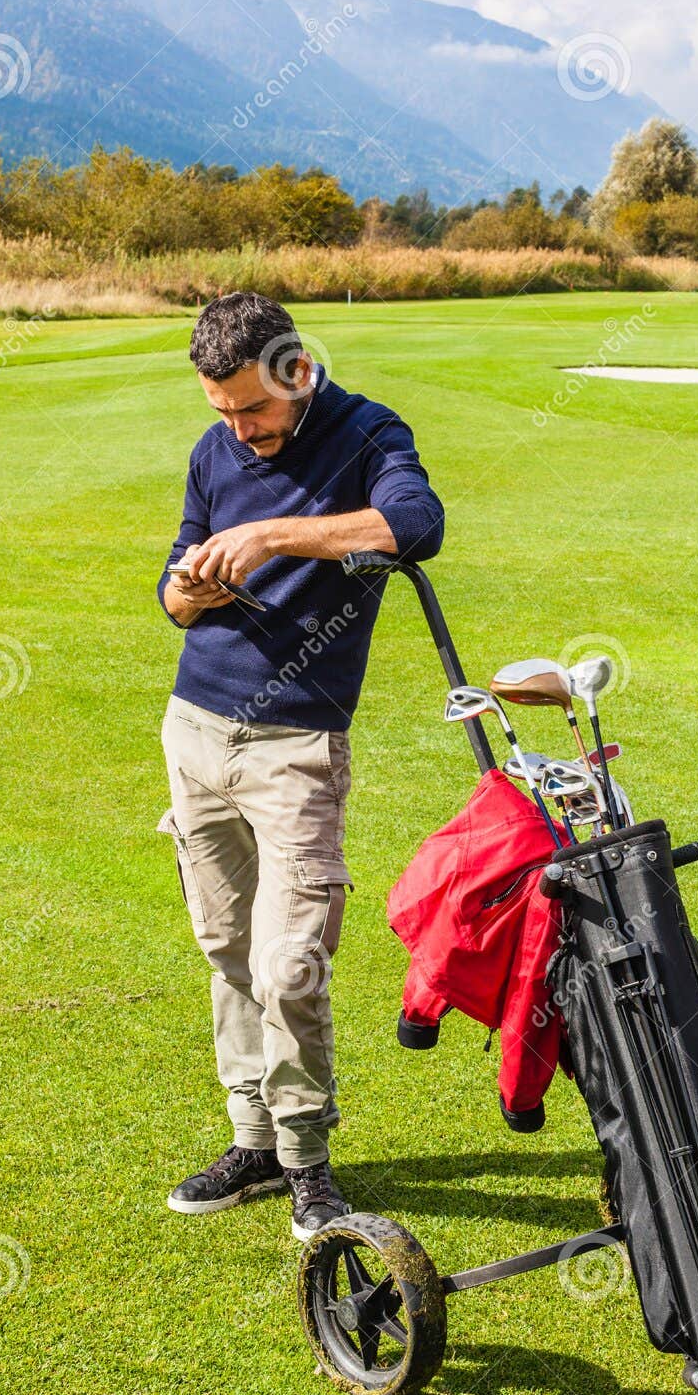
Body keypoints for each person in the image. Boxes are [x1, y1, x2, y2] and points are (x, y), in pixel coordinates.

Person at [157, 292, 444, 1238]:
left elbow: (415, 526)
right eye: (222, 411)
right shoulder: (214, 452)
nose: (240, 430)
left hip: (296, 749)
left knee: (289, 966)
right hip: (195, 730)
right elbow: (171, 591)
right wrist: (188, 589)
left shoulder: (367, 435)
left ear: (299, 372)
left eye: (254, 408)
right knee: (227, 951)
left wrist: (273, 534)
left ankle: (307, 1157)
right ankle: (254, 1143)